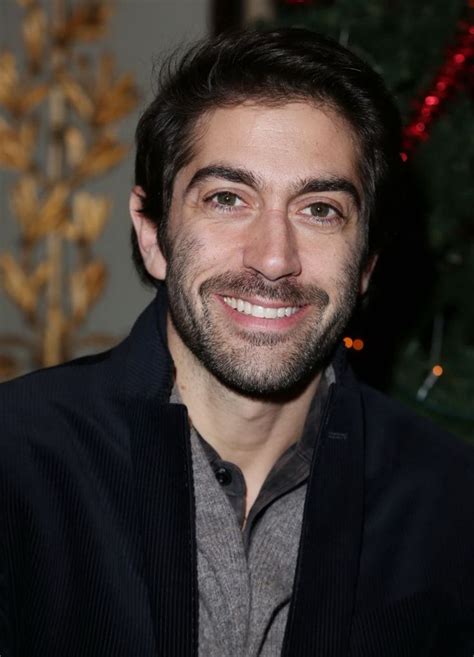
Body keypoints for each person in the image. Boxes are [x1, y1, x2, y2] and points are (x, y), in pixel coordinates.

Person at [0, 28, 473, 657]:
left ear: (365, 265)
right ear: (152, 233)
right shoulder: (16, 461)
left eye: (320, 209)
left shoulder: (451, 505)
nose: (274, 258)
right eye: (227, 198)